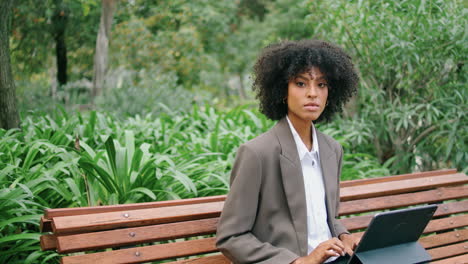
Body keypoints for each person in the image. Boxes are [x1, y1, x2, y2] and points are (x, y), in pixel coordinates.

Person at [216, 39, 360, 264]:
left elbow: (323, 218)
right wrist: (299, 261)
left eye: (321, 85)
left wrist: (344, 235)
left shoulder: (332, 149)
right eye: (301, 84)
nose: (313, 93)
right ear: (283, 90)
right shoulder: (257, 154)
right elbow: (231, 237)